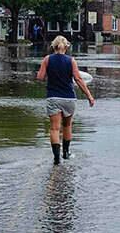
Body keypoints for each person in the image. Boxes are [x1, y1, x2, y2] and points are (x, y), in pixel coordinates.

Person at [36, 35, 95, 165]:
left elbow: (40, 77)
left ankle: (56, 158)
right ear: (66, 47)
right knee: (67, 125)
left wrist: (49, 74)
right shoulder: (71, 60)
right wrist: (89, 96)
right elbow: (79, 79)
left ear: (53, 46)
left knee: (54, 128)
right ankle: (66, 153)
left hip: (53, 97)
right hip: (69, 98)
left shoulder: (47, 59)